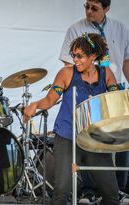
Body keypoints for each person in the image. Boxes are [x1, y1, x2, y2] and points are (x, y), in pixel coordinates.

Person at [24, 33, 119, 205]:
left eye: (80, 56)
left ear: (93, 56)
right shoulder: (66, 73)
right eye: (73, 55)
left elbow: (115, 102)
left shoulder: (106, 74)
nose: (75, 59)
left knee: (111, 193)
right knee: (61, 191)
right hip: (67, 136)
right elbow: (50, 100)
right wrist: (35, 105)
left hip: (95, 139)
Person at [59, 0, 129, 199]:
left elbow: (125, 62)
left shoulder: (120, 28)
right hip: (87, 92)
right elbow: (70, 66)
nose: (89, 11)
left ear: (107, 8)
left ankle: (118, 189)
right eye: (86, 6)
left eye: (94, 8)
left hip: (113, 90)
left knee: (121, 138)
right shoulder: (76, 29)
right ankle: (89, 190)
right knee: (89, 137)